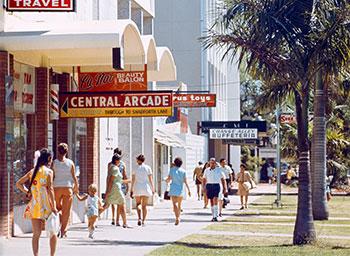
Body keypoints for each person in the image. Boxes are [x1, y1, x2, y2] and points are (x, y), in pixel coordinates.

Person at [16, 148, 58, 256]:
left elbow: (18, 183)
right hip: (47, 206)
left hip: (35, 205)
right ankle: (52, 255)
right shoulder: (49, 172)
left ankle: (36, 255)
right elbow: (50, 190)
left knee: (36, 234)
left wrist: (28, 192)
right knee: (53, 232)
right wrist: (54, 207)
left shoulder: (33, 171)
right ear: (49, 159)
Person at [52, 143, 79, 238]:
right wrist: (76, 187)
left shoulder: (54, 163)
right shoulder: (70, 163)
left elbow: (52, 176)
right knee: (66, 211)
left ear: (58, 151)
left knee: (58, 208)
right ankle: (63, 231)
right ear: (66, 152)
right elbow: (74, 177)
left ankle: (59, 223)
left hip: (56, 188)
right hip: (68, 188)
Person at [102, 154, 130, 228]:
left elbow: (118, 180)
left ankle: (93, 217)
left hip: (114, 189)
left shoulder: (111, 167)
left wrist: (128, 181)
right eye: (119, 160)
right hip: (115, 190)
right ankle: (125, 223)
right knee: (122, 203)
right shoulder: (115, 169)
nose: (120, 162)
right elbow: (111, 181)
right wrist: (107, 192)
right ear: (116, 160)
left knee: (106, 205)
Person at [130, 154, 155, 226]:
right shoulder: (148, 168)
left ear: (138, 160)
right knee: (144, 206)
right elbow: (150, 179)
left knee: (138, 204)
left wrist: (131, 190)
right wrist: (153, 188)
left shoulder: (135, 168)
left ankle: (139, 218)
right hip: (146, 187)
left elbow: (133, 180)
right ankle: (144, 220)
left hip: (137, 187)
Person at [166, 157, 191, 225]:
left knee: (174, 204)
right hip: (180, 189)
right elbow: (185, 181)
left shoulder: (172, 170)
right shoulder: (183, 171)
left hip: (173, 188)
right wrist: (189, 190)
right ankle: (178, 217)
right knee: (179, 205)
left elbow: (169, 179)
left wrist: (166, 180)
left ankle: (177, 217)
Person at [107, 148, 129, 226]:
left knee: (113, 203)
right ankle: (117, 220)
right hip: (120, 184)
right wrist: (127, 185)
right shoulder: (122, 164)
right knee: (120, 203)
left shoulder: (110, 164)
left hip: (115, 184)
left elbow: (108, 176)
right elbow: (124, 175)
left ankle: (114, 218)